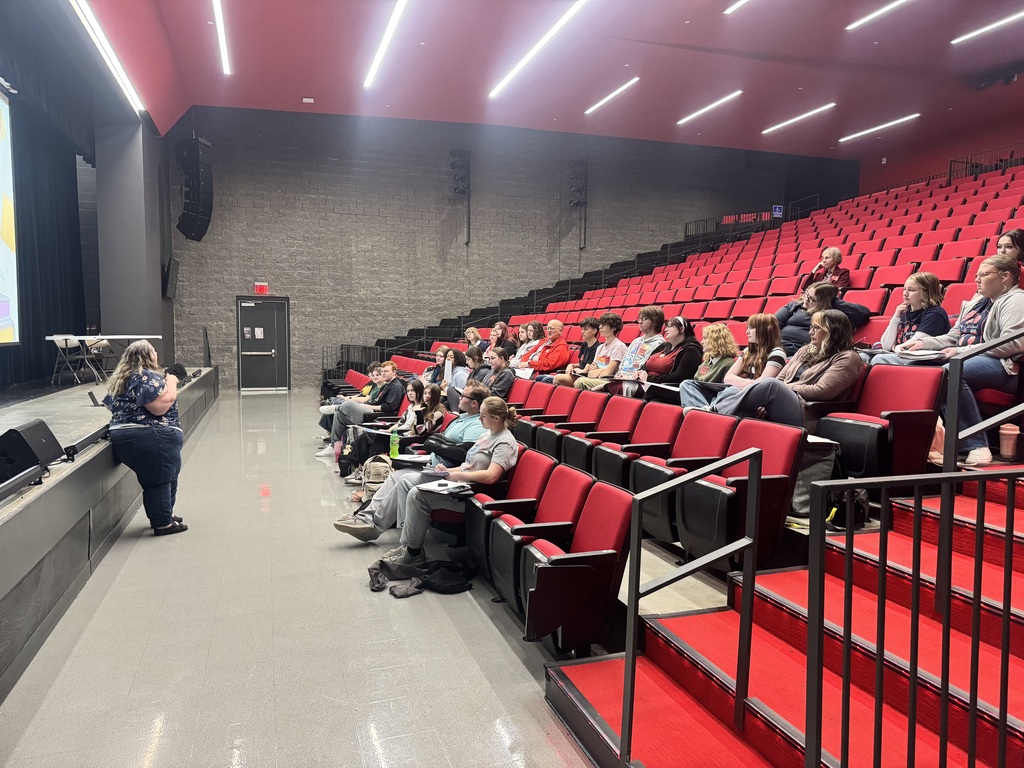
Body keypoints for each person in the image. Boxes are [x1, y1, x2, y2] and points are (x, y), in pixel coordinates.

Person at [903, 254, 1024, 465]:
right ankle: (925, 440)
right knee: (911, 367)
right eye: (976, 275)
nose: (976, 280)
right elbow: (954, 336)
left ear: (1005, 276)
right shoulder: (978, 302)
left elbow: (1012, 344)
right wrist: (924, 344)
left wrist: (962, 351)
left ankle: (976, 445)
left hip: (1004, 367)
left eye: (984, 275)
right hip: (970, 357)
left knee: (949, 373)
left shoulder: (1016, 300)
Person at [333, 381, 490, 540]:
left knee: (403, 480)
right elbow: (437, 440)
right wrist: (438, 444)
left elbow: (462, 454)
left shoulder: (477, 424)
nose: (459, 398)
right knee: (395, 476)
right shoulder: (460, 418)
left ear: (474, 403)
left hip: (446, 473)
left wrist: (437, 445)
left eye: (463, 396)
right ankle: (365, 517)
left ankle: (377, 528)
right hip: (432, 465)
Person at [380, 396, 520, 566]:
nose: (479, 418)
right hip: (461, 484)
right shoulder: (487, 434)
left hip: (473, 495)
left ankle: (413, 552)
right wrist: (448, 471)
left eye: (483, 415)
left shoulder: (504, 442)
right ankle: (408, 543)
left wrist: (458, 476)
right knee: (406, 480)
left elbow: (491, 476)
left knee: (418, 495)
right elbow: (469, 466)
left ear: (496, 418)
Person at [709, 310, 864, 431]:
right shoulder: (806, 350)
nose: (810, 332)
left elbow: (822, 391)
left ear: (833, 331)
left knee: (770, 385)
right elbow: (781, 377)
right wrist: (767, 401)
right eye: (811, 327)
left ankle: (711, 412)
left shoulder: (847, 358)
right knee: (736, 406)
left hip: (807, 413)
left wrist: (783, 389)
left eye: (816, 328)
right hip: (780, 404)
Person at [103, 340, 186, 536]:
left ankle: (165, 514)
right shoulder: (147, 377)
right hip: (151, 436)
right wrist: (171, 383)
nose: (156, 354)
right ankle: (163, 523)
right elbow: (159, 407)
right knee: (160, 479)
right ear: (147, 356)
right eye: (154, 352)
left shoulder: (120, 379)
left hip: (123, 435)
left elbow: (109, 405)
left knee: (161, 477)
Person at [679, 313, 785, 409]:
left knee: (732, 391)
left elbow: (763, 386)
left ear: (765, 329)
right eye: (748, 327)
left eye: (752, 328)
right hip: (738, 391)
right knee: (687, 384)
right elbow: (728, 378)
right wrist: (751, 383)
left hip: (749, 397)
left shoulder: (777, 353)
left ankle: (708, 411)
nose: (747, 331)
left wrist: (741, 383)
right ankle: (705, 411)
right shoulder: (748, 351)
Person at [319, 360, 405, 453]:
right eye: (383, 371)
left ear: (394, 373)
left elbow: (388, 407)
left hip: (375, 415)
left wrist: (368, 406)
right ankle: (333, 446)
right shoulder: (388, 385)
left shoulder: (395, 387)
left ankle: (335, 407)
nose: (383, 373)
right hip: (371, 410)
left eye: (386, 371)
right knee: (339, 415)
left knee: (349, 404)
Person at [868, 272, 951, 364]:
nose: (905, 294)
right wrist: (895, 318)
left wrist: (896, 347)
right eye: (904, 289)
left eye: (911, 290)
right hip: (900, 355)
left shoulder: (935, 314)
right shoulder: (904, 311)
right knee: (862, 357)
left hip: (922, 360)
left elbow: (911, 346)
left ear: (926, 292)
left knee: (879, 359)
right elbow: (886, 345)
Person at [776, 282, 870, 355]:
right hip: (779, 346)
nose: (806, 299)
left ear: (823, 302)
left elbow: (863, 313)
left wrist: (833, 300)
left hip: (803, 353)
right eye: (806, 294)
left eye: (812, 299)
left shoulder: (829, 315)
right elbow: (772, 325)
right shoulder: (794, 306)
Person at [638, 316, 704, 403]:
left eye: (670, 326)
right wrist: (640, 372)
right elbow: (646, 364)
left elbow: (680, 376)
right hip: (647, 382)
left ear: (682, 329)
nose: (665, 330)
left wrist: (650, 379)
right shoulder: (664, 346)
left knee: (651, 394)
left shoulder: (691, 350)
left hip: (668, 387)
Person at [604, 305, 666, 397]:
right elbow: (625, 360)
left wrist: (629, 377)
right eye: (639, 319)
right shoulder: (636, 341)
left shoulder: (660, 344)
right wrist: (619, 375)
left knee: (622, 387)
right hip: (621, 378)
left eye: (644, 319)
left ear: (654, 321)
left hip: (638, 383)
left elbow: (648, 369)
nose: (640, 322)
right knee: (593, 386)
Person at [567, 312, 628, 390]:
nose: (600, 327)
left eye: (604, 325)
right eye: (600, 324)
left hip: (610, 382)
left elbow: (607, 374)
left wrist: (598, 371)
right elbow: (590, 373)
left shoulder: (618, 347)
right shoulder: (600, 347)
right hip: (597, 379)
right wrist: (602, 370)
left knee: (580, 382)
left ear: (613, 328)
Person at [546, 316, 600, 385]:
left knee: (556, 378)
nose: (582, 332)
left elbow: (585, 370)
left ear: (594, 331)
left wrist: (576, 369)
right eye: (582, 329)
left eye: (585, 329)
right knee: (542, 378)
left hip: (584, 377)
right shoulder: (584, 344)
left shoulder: (596, 347)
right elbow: (581, 364)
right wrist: (572, 365)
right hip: (577, 375)